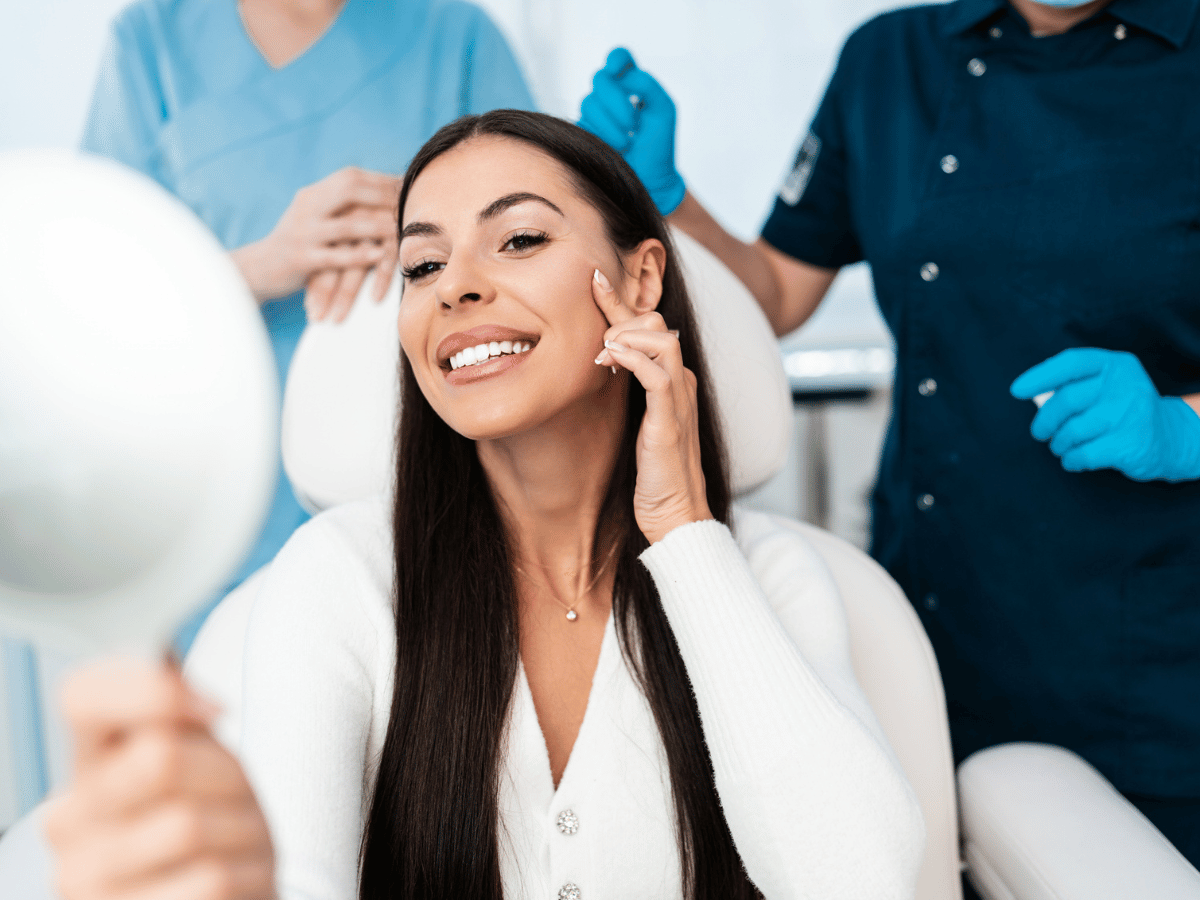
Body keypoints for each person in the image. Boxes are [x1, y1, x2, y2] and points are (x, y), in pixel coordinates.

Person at [39, 110, 924, 900]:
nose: (455, 286)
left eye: (519, 240)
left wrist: (687, 534)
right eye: (422, 264)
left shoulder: (766, 576)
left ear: (642, 279)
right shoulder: (341, 578)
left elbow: (861, 882)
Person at [578, 0, 1200, 867]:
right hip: (936, 614)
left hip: (1154, 661)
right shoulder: (890, 59)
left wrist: (1183, 426)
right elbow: (777, 293)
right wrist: (666, 199)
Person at [81, 0, 536, 593]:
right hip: (216, 495)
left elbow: (541, 242)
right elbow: (91, 303)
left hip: (429, 483)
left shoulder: (456, 36)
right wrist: (259, 266)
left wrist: (434, 215)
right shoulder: (152, 43)